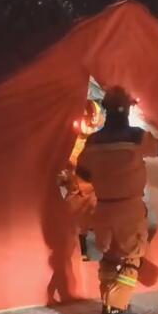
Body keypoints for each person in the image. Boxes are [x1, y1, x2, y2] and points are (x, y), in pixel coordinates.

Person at [77, 86, 158, 314]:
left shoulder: (92, 140)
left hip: (103, 209)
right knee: (131, 259)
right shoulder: (135, 137)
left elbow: (83, 173)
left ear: (105, 109)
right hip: (128, 210)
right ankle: (116, 311)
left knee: (109, 259)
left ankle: (110, 304)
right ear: (128, 109)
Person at [58, 100, 102, 260]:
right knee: (73, 220)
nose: (89, 127)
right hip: (76, 187)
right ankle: (75, 250)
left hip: (88, 188)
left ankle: (81, 249)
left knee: (83, 219)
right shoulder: (68, 139)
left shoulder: (95, 140)